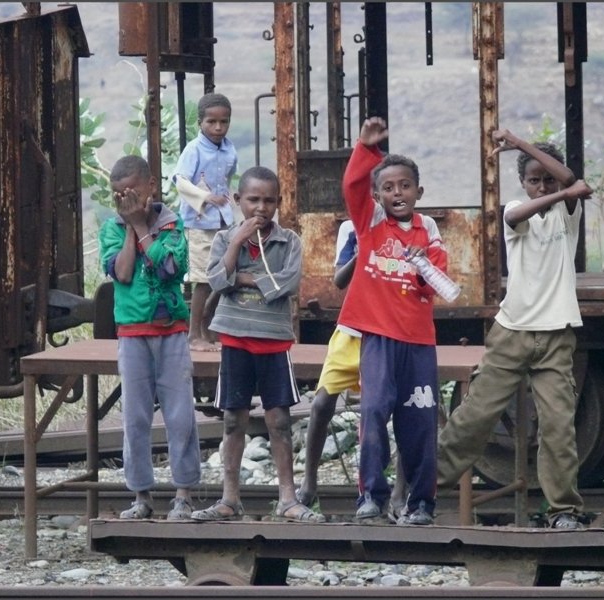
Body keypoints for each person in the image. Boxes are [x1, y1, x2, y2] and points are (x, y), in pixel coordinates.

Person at [437, 128, 593, 529]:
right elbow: (563, 190)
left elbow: (574, 180)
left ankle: (563, 511)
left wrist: (524, 146)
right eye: (533, 180)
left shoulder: (567, 214)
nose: (541, 185)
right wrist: (559, 190)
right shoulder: (514, 212)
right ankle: (425, 489)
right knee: (475, 416)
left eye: (548, 179)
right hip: (513, 331)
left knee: (559, 426)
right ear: (522, 183)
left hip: (557, 333)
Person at [190, 166, 326, 523]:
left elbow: (288, 284)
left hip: (273, 343)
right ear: (238, 201)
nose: (260, 208)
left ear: (278, 203)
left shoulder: (289, 242)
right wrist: (237, 245)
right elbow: (218, 279)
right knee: (233, 420)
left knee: (279, 421)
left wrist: (242, 278)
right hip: (235, 341)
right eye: (253, 200)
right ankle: (229, 498)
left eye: (268, 201)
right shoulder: (224, 240)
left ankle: (287, 499)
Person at [338, 117, 448, 526]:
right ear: (378, 194)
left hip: (418, 341)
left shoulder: (428, 228)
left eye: (404, 186)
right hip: (379, 338)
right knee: (374, 409)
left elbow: (436, 275)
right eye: (388, 187)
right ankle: (371, 495)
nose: (397, 193)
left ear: (419, 191)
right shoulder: (369, 223)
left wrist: (421, 266)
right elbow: (352, 186)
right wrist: (365, 149)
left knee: (418, 421)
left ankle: (420, 504)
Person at [98, 155, 201, 520]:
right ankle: (141, 496)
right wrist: (131, 227)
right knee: (135, 418)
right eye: (118, 194)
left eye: (132, 192)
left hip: (171, 332)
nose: (125, 200)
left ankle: (184, 494)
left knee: (180, 415)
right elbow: (122, 274)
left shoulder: (172, 225)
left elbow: (170, 268)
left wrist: (143, 226)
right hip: (132, 333)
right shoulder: (112, 229)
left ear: (151, 186)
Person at [295, 219, 409, 522]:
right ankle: (309, 483)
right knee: (321, 404)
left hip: (387, 331)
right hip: (352, 329)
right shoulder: (351, 228)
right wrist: (364, 250)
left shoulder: (408, 229)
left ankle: (397, 492)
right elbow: (340, 279)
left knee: (395, 411)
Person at [172, 92, 239, 352]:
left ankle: (209, 328)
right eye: (212, 122)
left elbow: (228, 176)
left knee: (222, 276)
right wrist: (205, 197)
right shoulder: (194, 149)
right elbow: (180, 180)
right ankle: (193, 334)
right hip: (199, 223)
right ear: (200, 122)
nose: (218, 127)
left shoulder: (229, 149)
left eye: (224, 122)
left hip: (222, 222)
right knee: (202, 279)